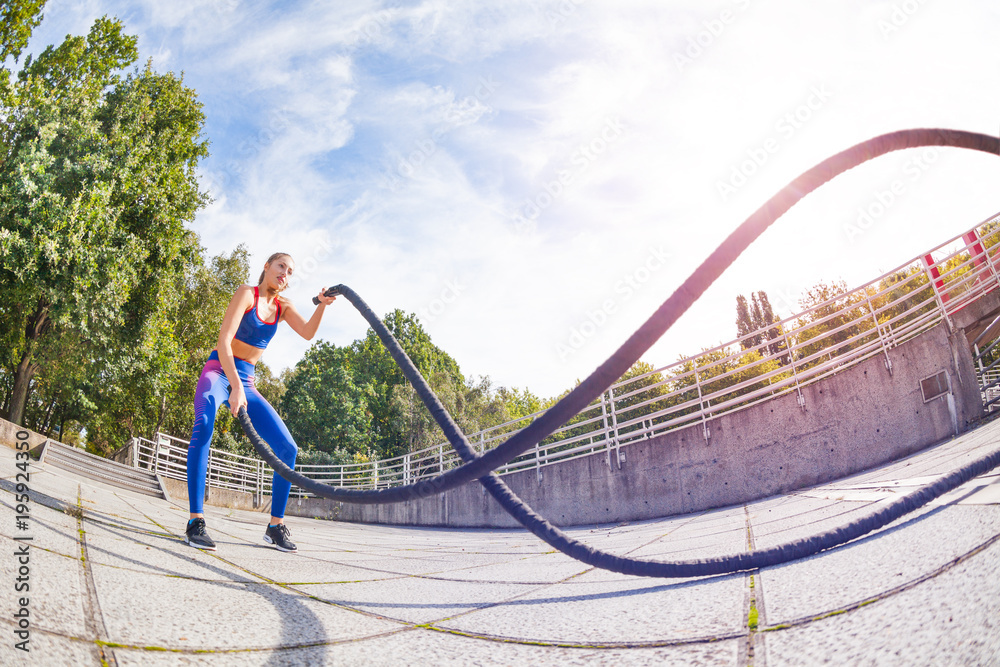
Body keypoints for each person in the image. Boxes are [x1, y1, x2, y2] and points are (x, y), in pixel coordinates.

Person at [184, 252, 337, 552]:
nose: (285, 274)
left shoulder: (283, 306)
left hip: (247, 380)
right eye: (281, 266)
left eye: (291, 271)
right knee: (203, 424)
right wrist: (234, 387)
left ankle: (275, 527)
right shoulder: (247, 294)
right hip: (219, 370)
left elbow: (307, 333)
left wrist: (323, 306)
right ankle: (195, 522)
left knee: (287, 448)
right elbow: (223, 341)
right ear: (267, 267)